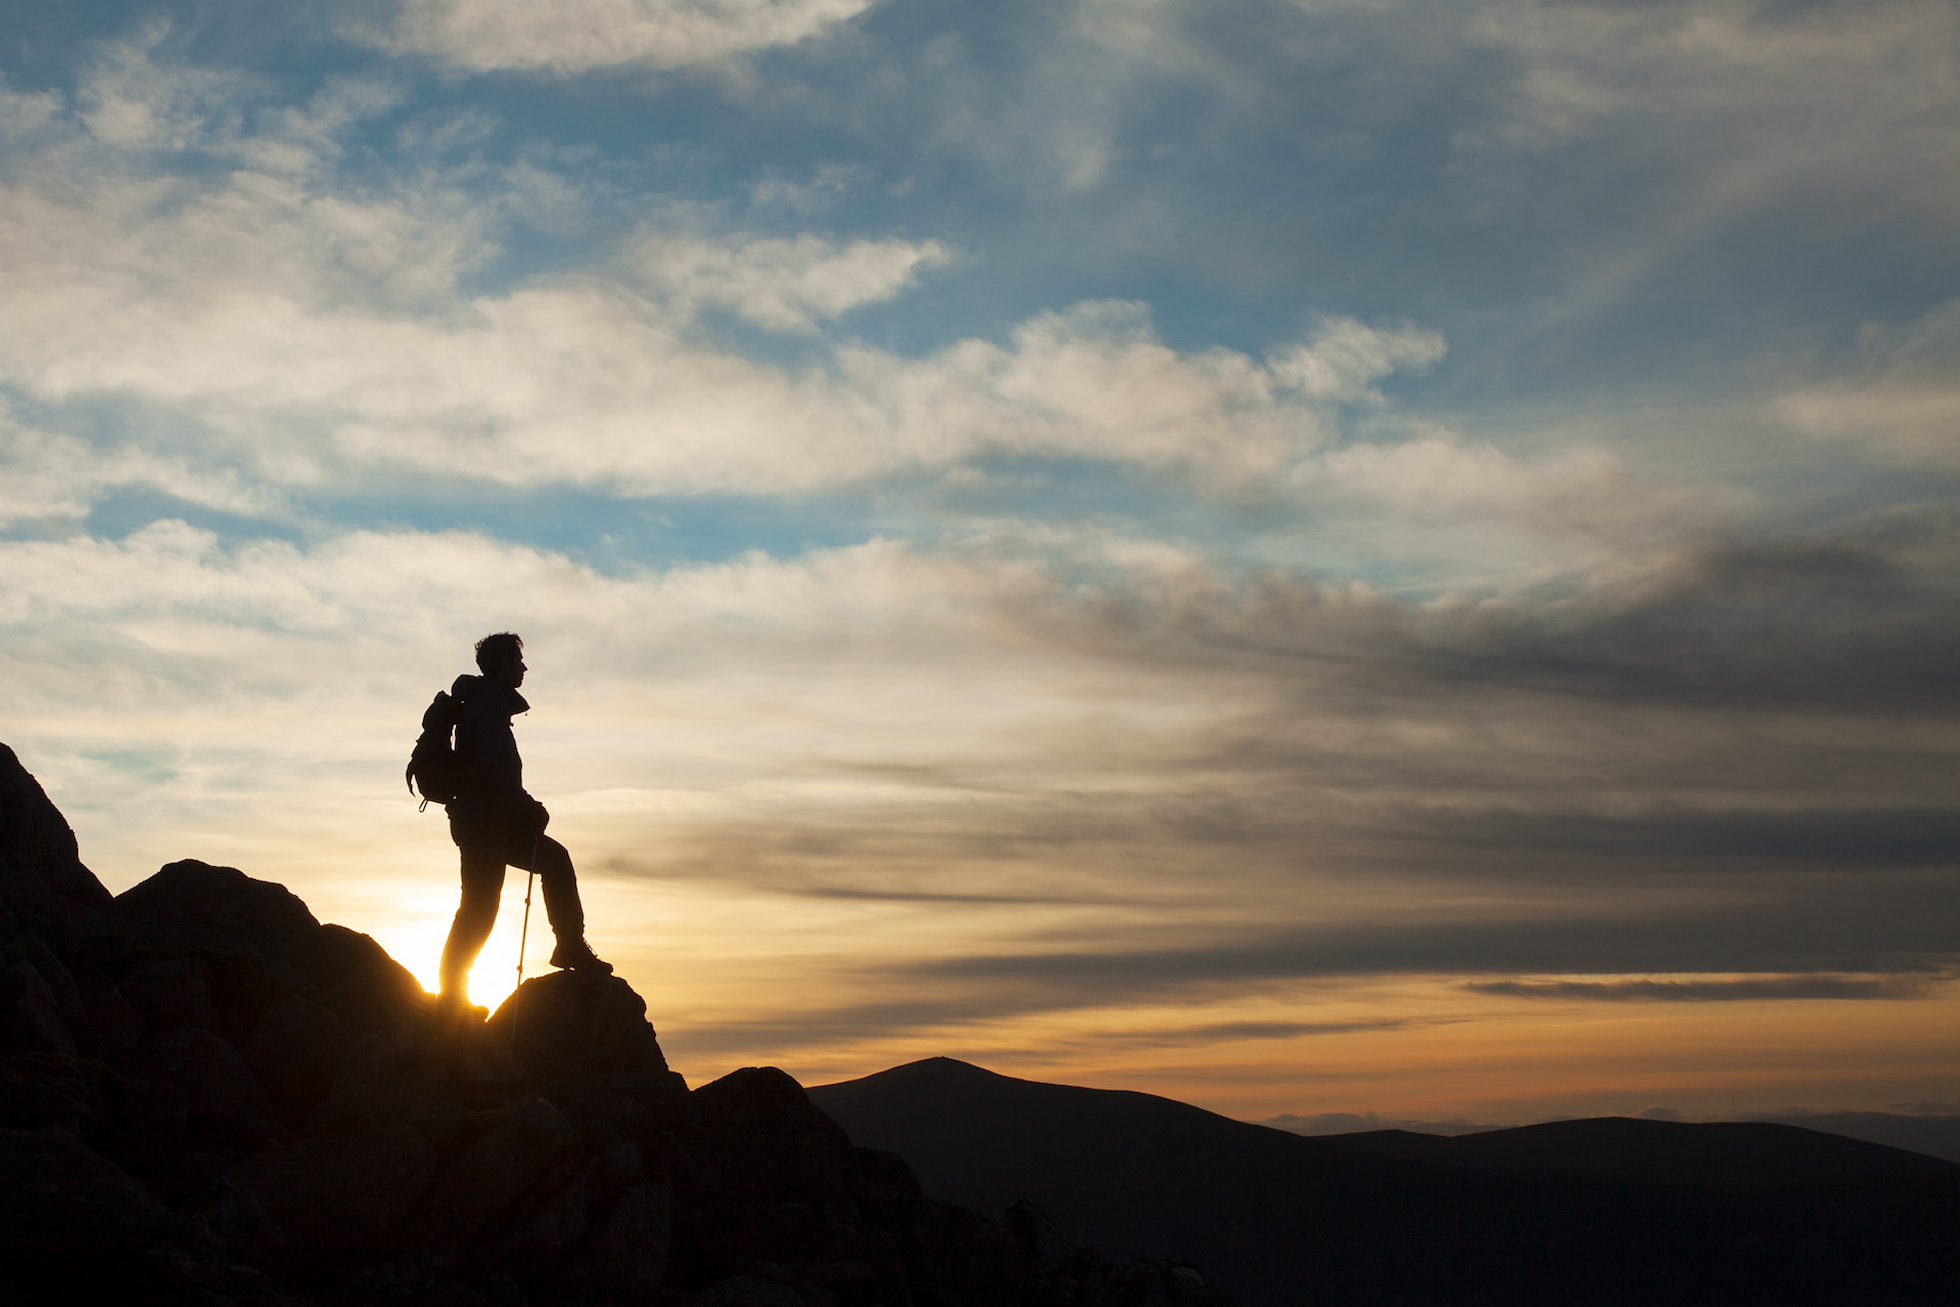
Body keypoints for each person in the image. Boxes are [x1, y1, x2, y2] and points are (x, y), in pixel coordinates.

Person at [438, 631, 610, 1013]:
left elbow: (493, 777)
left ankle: (452, 996)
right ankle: (451, 999)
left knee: (482, 906)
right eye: (517, 662)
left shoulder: (486, 707)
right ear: (501, 666)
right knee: (481, 907)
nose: (524, 668)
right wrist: (529, 809)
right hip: (486, 825)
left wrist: (523, 807)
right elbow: (492, 776)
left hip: (485, 823)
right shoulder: (485, 710)